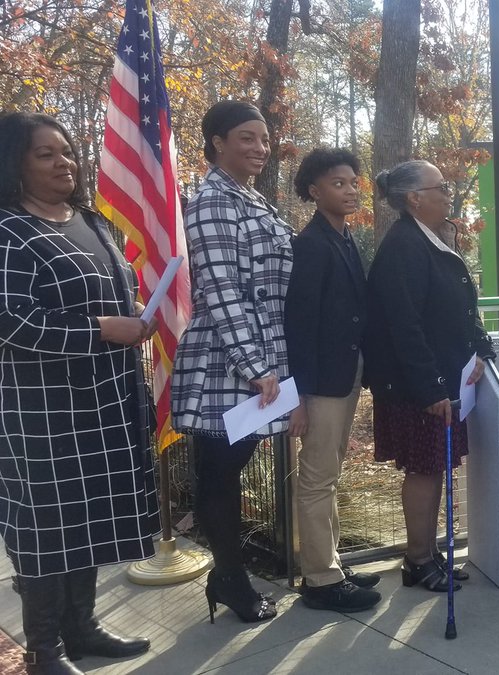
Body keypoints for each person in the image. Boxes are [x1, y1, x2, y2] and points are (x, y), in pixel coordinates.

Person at [0, 112, 156, 674]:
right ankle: (45, 650)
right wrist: (100, 330)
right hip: (42, 411)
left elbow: (113, 296)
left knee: (86, 520)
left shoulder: (92, 221)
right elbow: (10, 319)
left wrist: (137, 319)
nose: (63, 162)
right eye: (45, 154)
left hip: (108, 402)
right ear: (14, 162)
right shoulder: (9, 231)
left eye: (66, 151)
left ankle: (82, 629)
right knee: (45, 525)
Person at [171, 100, 292, 624]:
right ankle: (231, 579)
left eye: (263, 140)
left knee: (228, 473)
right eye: (247, 138)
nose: (259, 148)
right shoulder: (212, 201)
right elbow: (221, 289)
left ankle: (227, 576)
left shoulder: (250, 198)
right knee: (219, 474)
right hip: (226, 363)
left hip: (258, 355)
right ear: (217, 142)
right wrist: (255, 365)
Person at [364, 160, 492, 592]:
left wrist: (482, 347)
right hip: (419, 389)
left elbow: (458, 310)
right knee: (424, 469)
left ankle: (430, 553)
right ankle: (418, 559)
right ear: (415, 198)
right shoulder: (403, 246)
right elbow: (405, 326)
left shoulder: (429, 239)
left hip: (441, 383)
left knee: (436, 467)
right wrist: (430, 387)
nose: (449, 192)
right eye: (442, 186)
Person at [284, 148, 381, 612]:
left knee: (328, 474)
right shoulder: (311, 244)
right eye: (336, 183)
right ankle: (321, 580)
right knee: (318, 477)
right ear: (313, 191)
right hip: (319, 382)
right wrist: (298, 397)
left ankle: (332, 562)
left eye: (351, 182)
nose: (348, 190)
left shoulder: (343, 239)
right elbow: (299, 326)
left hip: (344, 376)